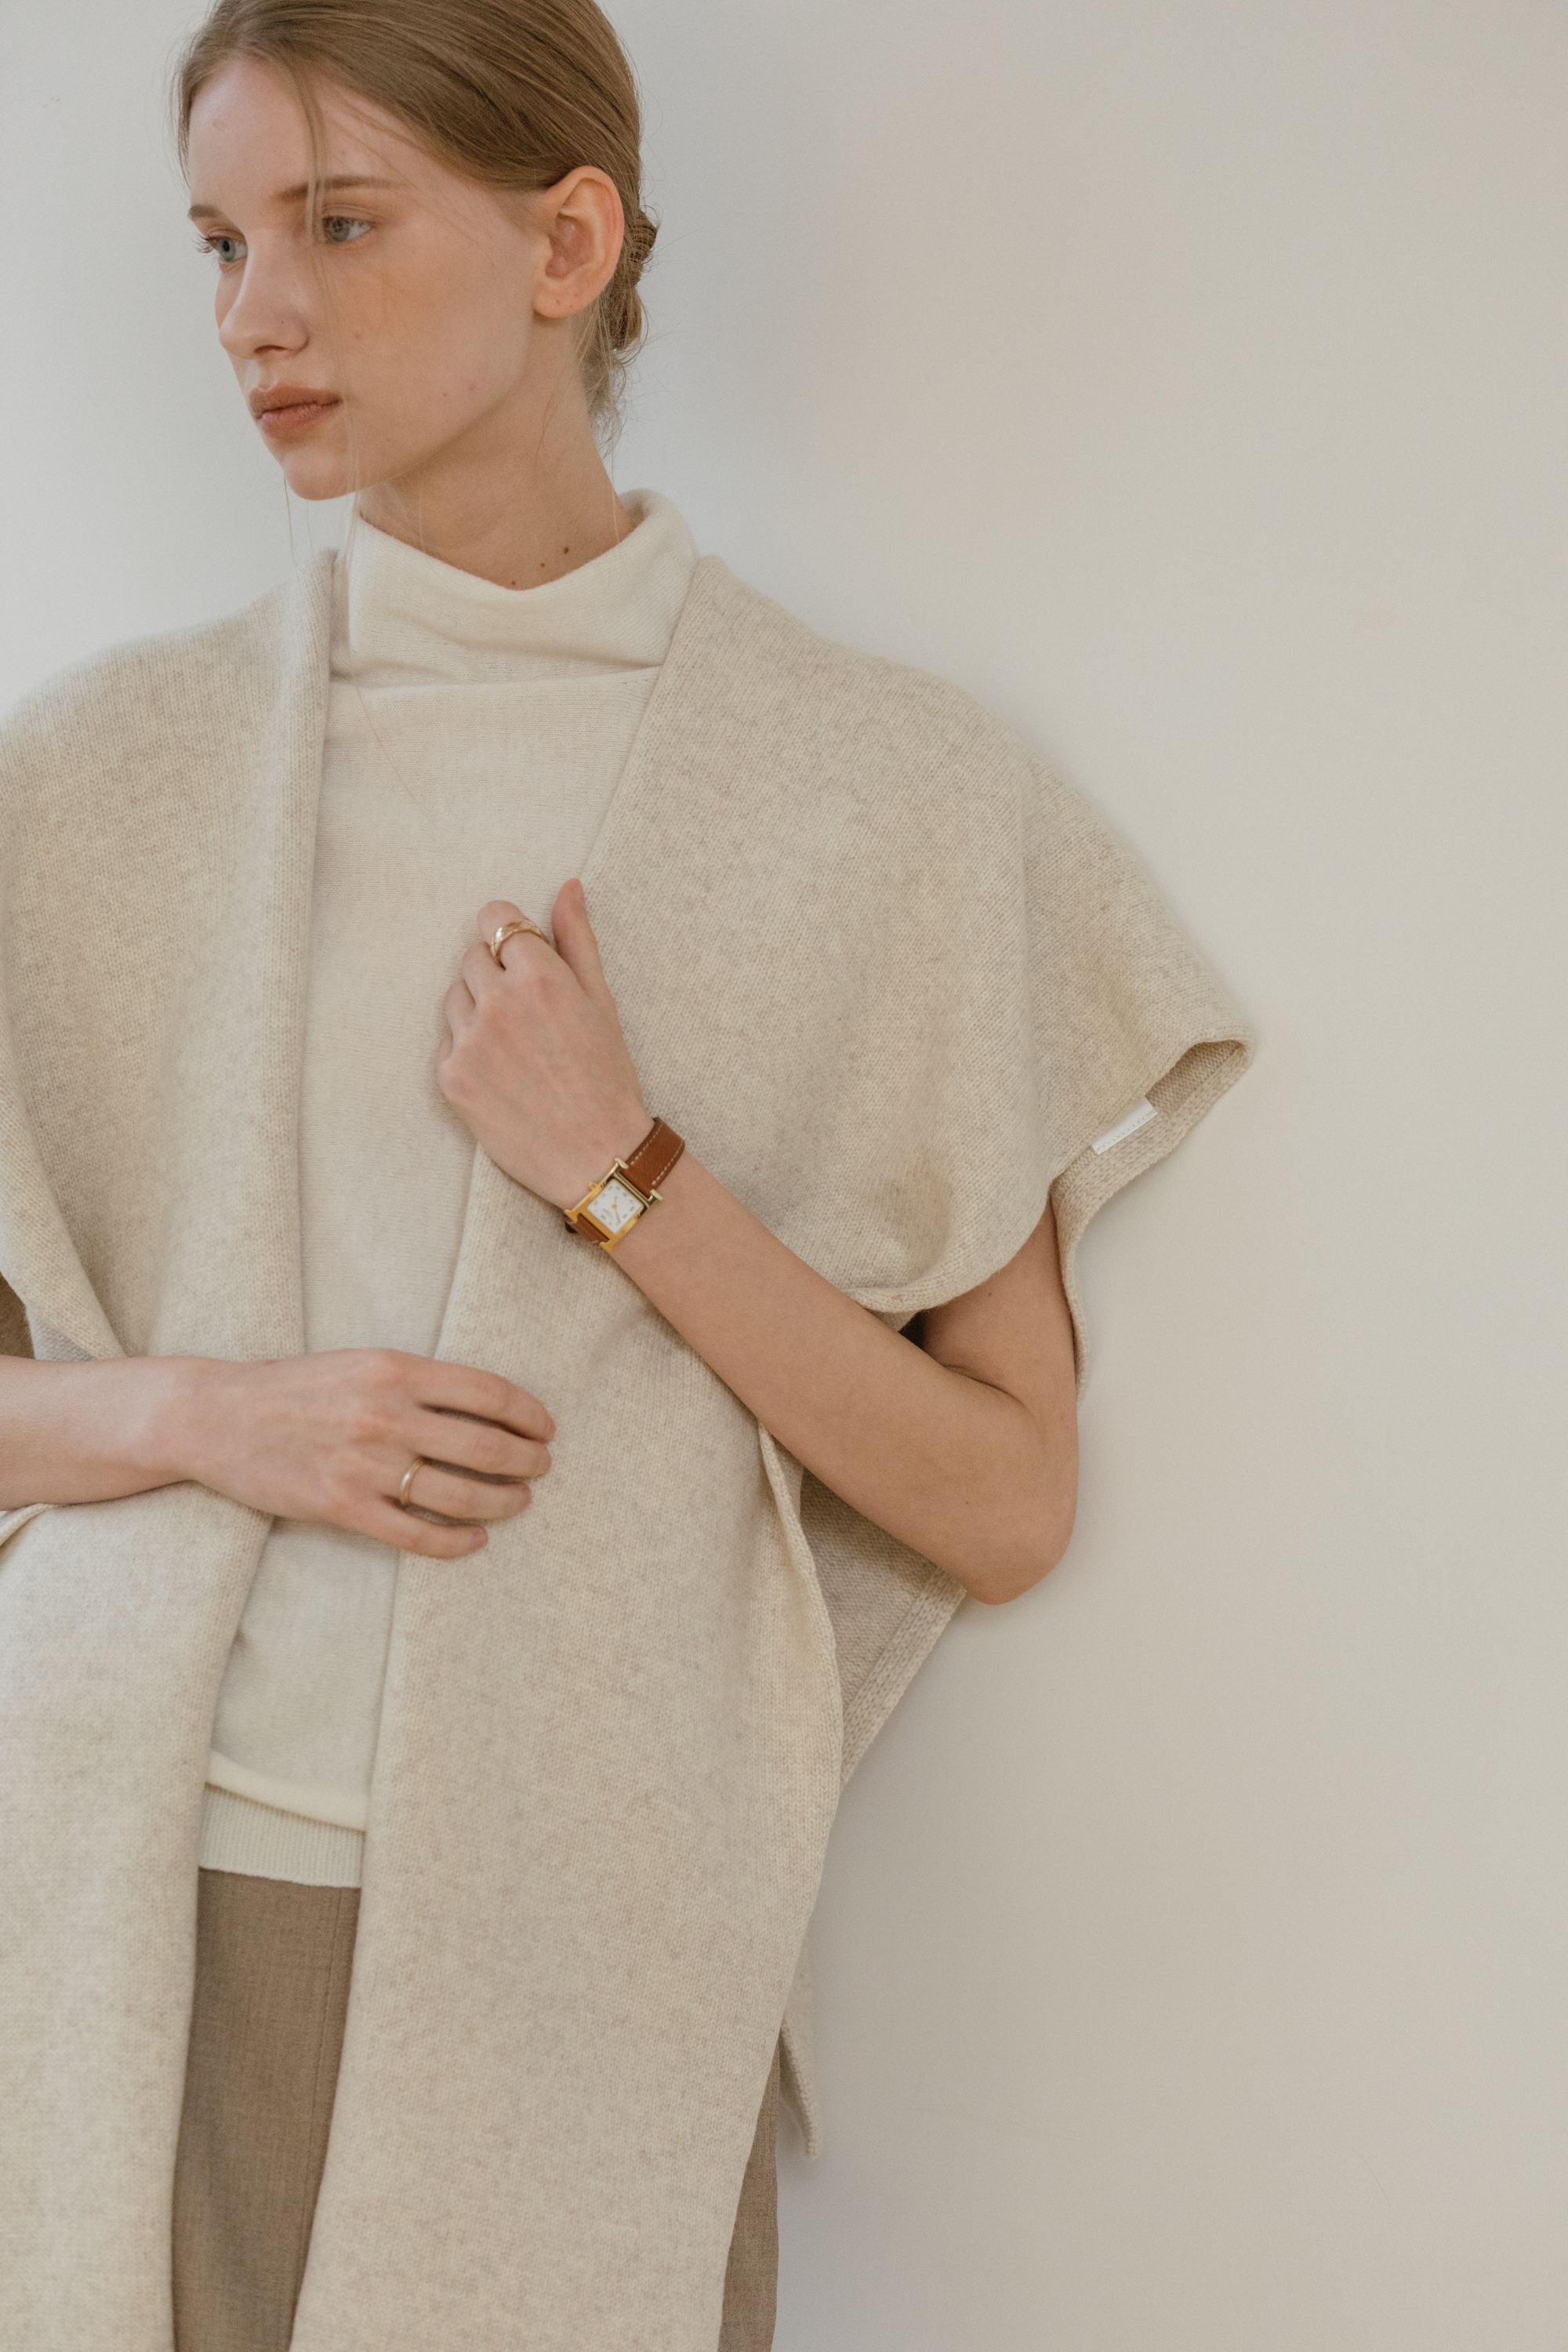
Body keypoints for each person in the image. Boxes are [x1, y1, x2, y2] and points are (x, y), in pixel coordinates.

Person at [0, 2, 1250, 2347]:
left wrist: (628, 1174)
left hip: (586, 1958)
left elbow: (1002, 1497)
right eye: (220, 243)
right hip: (120, 1916)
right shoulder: (85, 792)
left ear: (567, 241)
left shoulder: (887, 802)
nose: (255, 315)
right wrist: (211, 1415)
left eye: (338, 224)